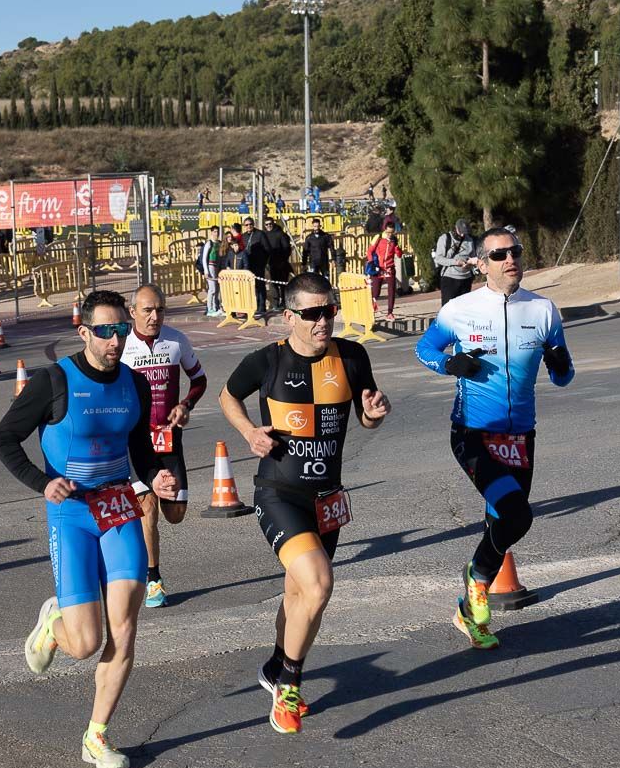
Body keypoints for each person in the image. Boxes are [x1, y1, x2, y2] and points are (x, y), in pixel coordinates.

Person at [0, 290, 178, 768]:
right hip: (71, 513)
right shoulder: (54, 380)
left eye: (121, 331)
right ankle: (55, 625)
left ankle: (96, 735)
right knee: (86, 643)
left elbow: (138, 443)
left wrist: (155, 474)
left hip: (117, 505)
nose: (115, 340)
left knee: (127, 626)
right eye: (105, 331)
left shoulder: (134, 384)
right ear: (84, 332)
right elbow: (3, 439)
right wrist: (43, 482)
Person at [220, 273, 391, 734]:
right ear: (289, 316)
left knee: (300, 594)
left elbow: (367, 416)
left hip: (327, 499)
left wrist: (374, 414)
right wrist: (249, 432)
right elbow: (228, 395)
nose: (323, 321)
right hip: (279, 492)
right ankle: (290, 688)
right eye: (313, 313)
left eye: (329, 310)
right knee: (318, 585)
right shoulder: (267, 361)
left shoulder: (352, 356)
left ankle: (276, 667)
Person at [415, 228, 574, 650]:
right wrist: (451, 364)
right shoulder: (460, 308)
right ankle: (478, 580)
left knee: (501, 522)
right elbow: (424, 349)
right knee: (516, 516)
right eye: (499, 254)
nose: (511, 259)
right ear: (481, 264)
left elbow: (564, 376)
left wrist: (558, 362)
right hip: (473, 432)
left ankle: (469, 614)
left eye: (516, 251)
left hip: (521, 435)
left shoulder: (542, 309)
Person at [121, 283, 207, 608]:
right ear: (132, 312)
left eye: (160, 309)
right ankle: (153, 579)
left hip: (170, 439)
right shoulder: (124, 348)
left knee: (175, 513)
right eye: (147, 309)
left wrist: (185, 405)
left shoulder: (176, 340)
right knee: (148, 511)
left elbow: (199, 380)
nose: (155, 316)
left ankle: (152, 501)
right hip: (137, 441)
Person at [433, 219, 475, 305]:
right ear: (456, 228)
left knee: (464, 308)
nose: (463, 234)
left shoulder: (469, 240)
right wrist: (455, 262)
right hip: (450, 279)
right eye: (461, 232)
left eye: (465, 232)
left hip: (466, 279)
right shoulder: (445, 238)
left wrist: (469, 264)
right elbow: (439, 259)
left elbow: (473, 256)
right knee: (448, 308)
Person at [366, 223, 403, 319]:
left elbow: (399, 255)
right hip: (378, 268)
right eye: (388, 232)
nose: (390, 234)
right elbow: (369, 251)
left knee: (391, 291)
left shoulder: (394, 240)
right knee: (376, 292)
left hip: (390, 268)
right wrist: (372, 263)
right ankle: (370, 308)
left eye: (392, 232)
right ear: (385, 230)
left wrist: (398, 248)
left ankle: (390, 312)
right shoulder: (378, 238)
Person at [242, 216, 270, 315]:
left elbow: (267, 249)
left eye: (250, 224)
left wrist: (264, 262)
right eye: (246, 225)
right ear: (244, 226)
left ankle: (261, 306)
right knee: (249, 287)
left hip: (259, 264)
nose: (249, 226)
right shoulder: (243, 236)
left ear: (253, 224)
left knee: (260, 286)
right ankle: (251, 306)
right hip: (248, 265)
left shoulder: (260, 234)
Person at [264, 216, 292, 309]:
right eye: (267, 224)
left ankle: (284, 302)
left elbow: (287, 249)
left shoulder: (280, 234)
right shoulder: (264, 235)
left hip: (281, 263)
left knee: (283, 284)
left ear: (273, 223)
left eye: (270, 224)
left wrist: (283, 260)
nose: (269, 226)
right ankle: (275, 303)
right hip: (271, 264)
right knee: (273, 284)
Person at [201, 226, 224, 317]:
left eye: (217, 232)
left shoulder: (219, 243)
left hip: (218, 267)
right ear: (211, 232)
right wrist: (206, 271)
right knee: (212, 289)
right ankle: (209, 309)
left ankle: (215, 307)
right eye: (214, 232)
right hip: (211, 266)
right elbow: (204, 258)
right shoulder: (209, 243)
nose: (216, 233)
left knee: (217, 289)